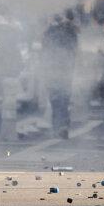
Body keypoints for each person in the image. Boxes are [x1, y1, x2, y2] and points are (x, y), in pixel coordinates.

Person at [41, 9, 78, 139]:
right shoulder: (69, 30)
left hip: (59, 70)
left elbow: (45, 46)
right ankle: (61, 127)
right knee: (60, 100)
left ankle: (59, 127)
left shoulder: (60, 30)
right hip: (59, 70)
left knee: (58, 100)